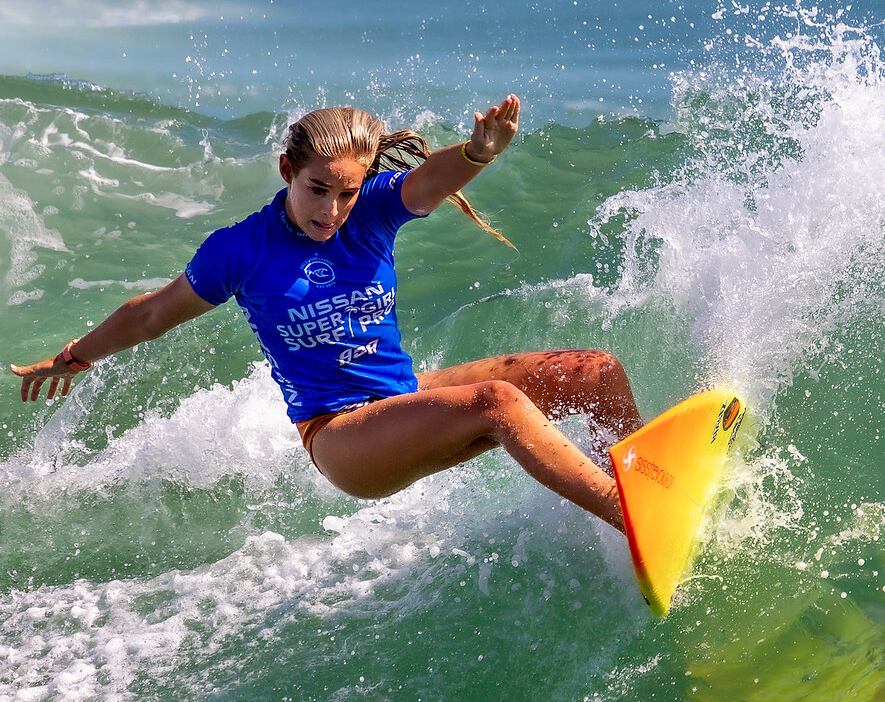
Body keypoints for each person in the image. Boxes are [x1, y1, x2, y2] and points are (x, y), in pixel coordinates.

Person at [9, 95, 643, 531]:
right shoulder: (242, 250)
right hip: (341, 437)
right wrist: (74, 356)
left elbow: (426, 182)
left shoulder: (370, 212)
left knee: (594, 371)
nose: (332, 210)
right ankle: (630, 514)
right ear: (288, 170)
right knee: (499, 403)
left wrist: (478, 153)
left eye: (346, 192)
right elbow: (151, 315)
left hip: (402, 396)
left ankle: (640, 484)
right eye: (317, 189)